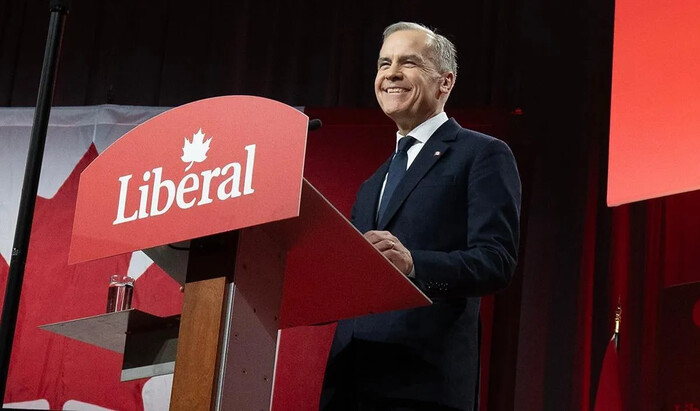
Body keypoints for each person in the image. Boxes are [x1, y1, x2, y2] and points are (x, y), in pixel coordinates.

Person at [320, 22, 521, 411]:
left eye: (408, 62)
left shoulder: (481, 154)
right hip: (350, 384)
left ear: (445, 82)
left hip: (422, 384)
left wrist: (413, 264)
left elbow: (496, 261)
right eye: (384, 63)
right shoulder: (371, 184)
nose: (390, 73)